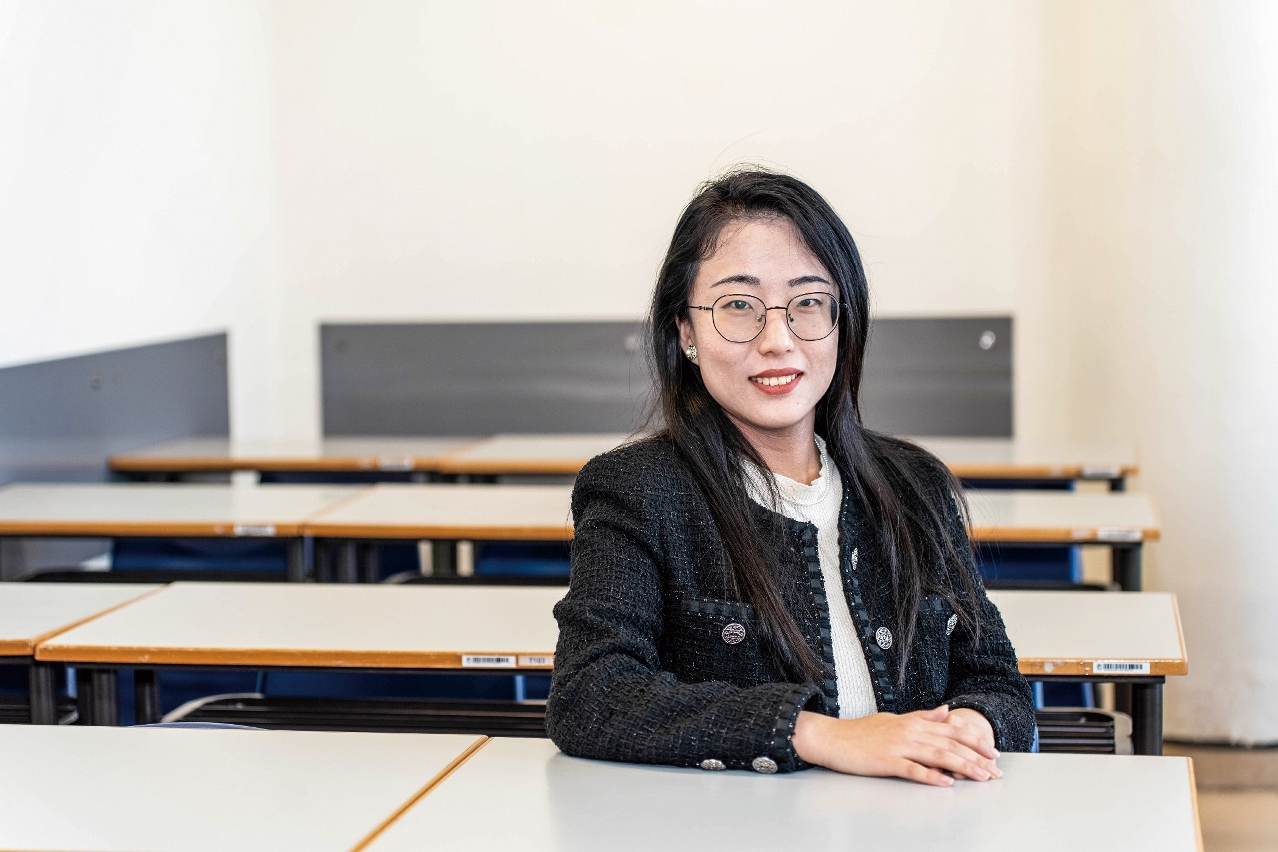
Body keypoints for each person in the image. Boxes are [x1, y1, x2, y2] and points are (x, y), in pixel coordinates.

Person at [546, 169, 1034, 785]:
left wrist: (972, 726)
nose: (778, 340)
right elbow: (590, 695)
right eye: (738, 307)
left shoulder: (916, 487)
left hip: (922, 818)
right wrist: (822, 736)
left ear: (842, 320)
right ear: (685, 331)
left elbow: (997, 681)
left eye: (807, 303)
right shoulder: (637, 491)